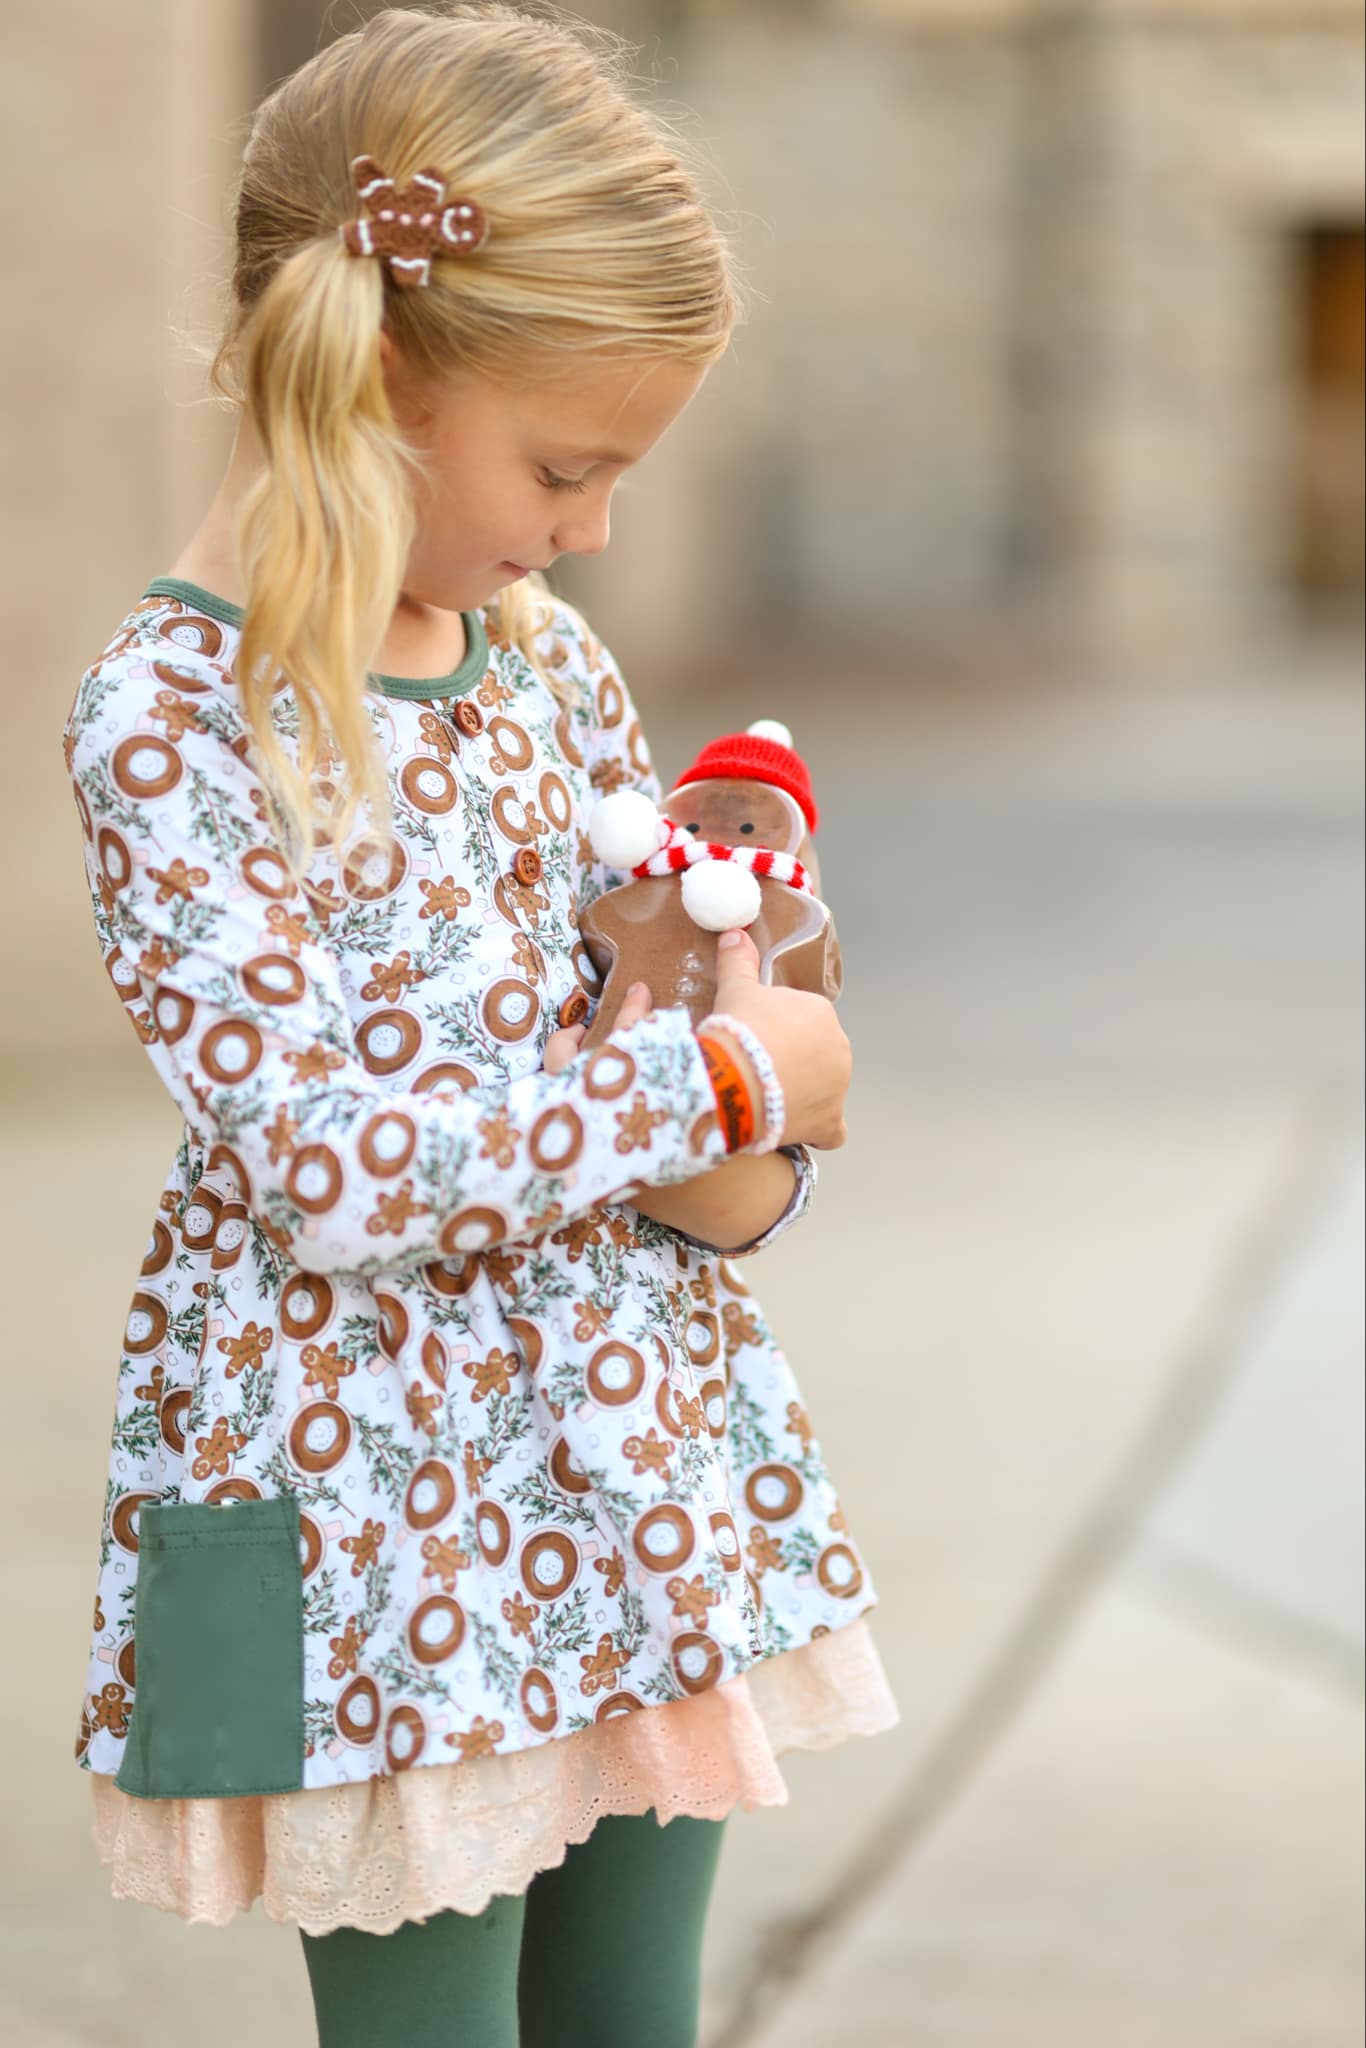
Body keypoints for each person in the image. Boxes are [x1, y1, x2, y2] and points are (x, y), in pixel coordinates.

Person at [62, 5, 900, 2042]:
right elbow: (338, 1170)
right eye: (561, 465)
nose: (592, 528)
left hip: (624, 1486)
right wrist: (709, 1073)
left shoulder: (541, 666)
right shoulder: (175, 725)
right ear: (371, 379)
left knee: (631, 2016)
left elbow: (640, 1129)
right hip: (379, 1545)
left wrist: (747, 1097)